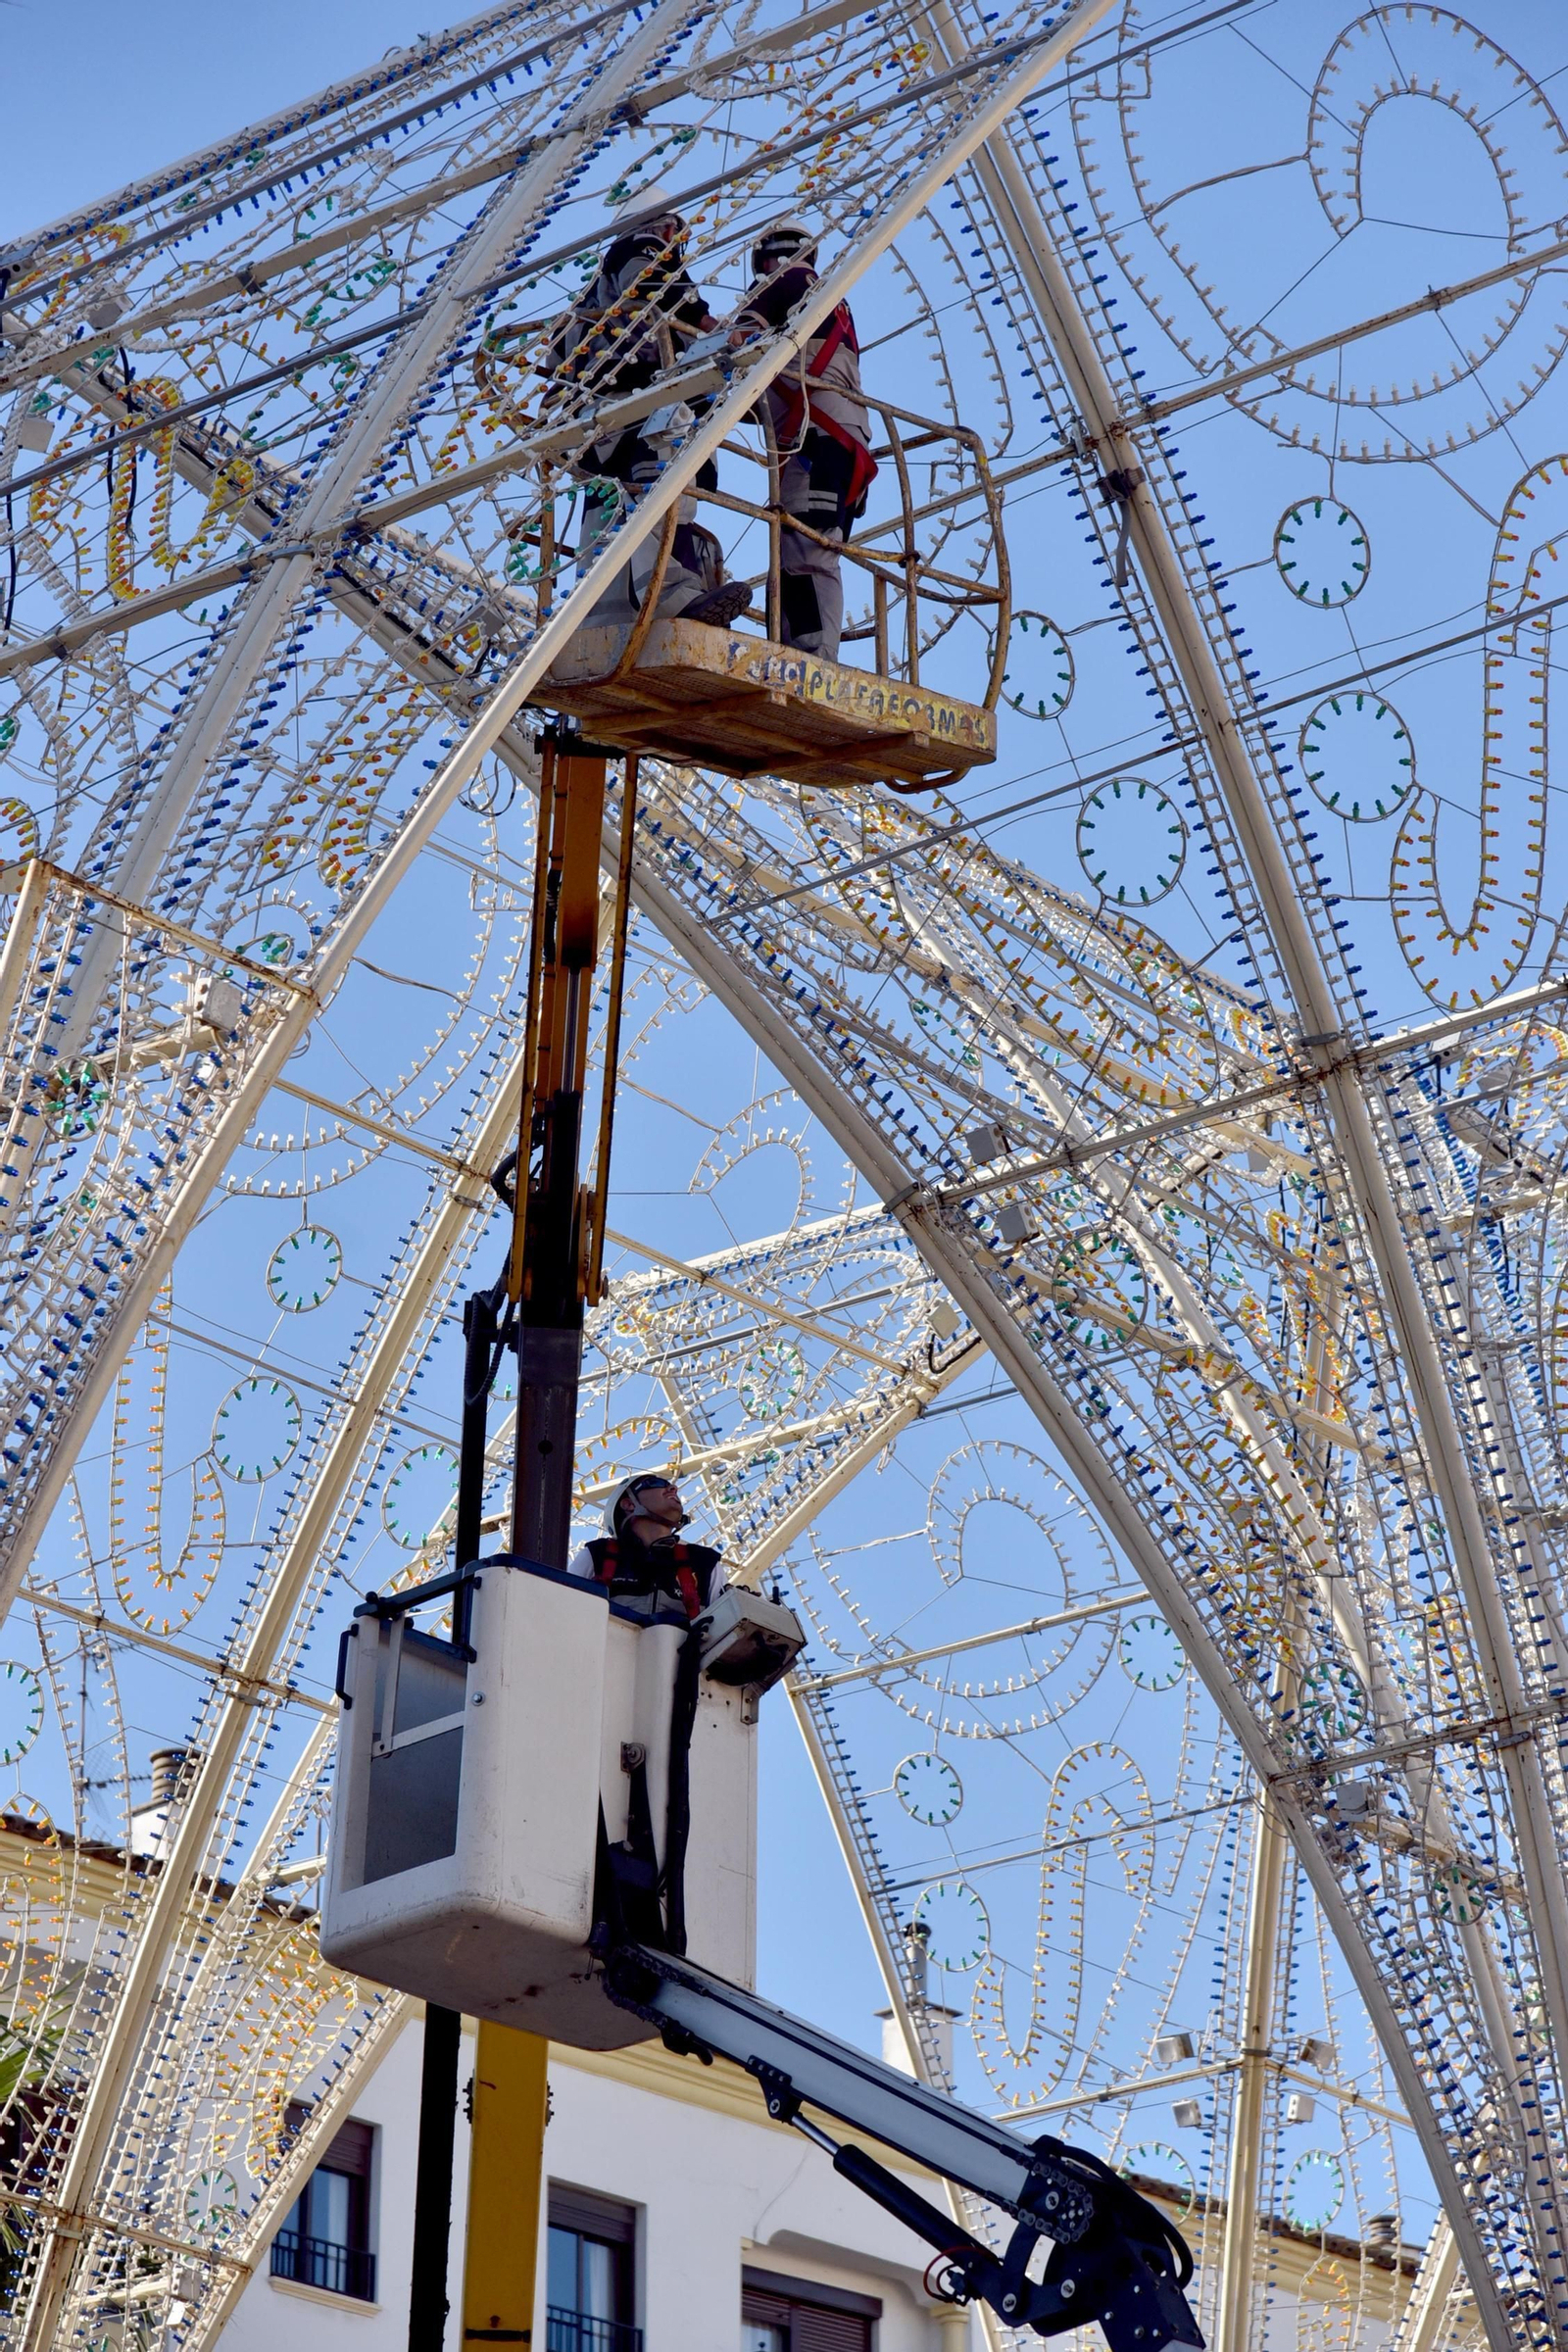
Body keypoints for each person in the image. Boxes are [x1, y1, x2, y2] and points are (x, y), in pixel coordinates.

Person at [545, 188, 751, 629]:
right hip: (643, 410)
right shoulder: (640, 247)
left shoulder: (593, 301)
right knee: (664, 490)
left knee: (611, 509)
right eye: (674, 234)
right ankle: (676, 597)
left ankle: (602, 618)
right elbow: (653, 279)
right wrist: (711, 323)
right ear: (664, 225)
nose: (675, 247)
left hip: (603, 420)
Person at [730, 218, 877, 660]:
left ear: (767, 257)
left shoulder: (785, 280)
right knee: (813, 550)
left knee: (805, 553)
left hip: (814, 441)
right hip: (843, 442)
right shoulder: (829, 302)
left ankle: (810, 657)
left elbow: (735, 340)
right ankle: (806, 649)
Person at [567, 1471, 723, 1620]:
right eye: (655, 1483)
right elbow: (562, 1605)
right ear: (629, 1504)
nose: (673, 1488)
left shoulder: (704, 1562)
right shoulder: (598, 1555)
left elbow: (729, 1625)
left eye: (672, 1486)